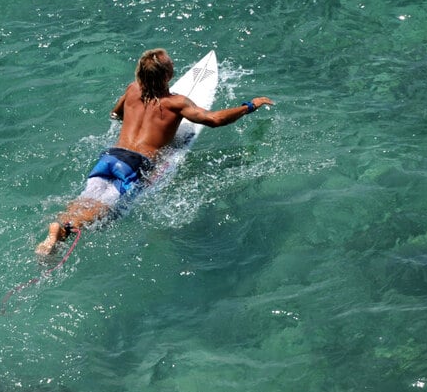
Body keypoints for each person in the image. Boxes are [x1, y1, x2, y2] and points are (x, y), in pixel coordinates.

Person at [36, 48, 274, 256]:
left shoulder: (131, 90)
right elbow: (213, 120)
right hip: (135, 164)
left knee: (87, 198)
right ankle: (66, 229)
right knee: (107, 210)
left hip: (110, 156)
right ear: (168, 75)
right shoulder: (176, 103)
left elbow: (115, 114)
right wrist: (249, 105)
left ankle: (61, 226)